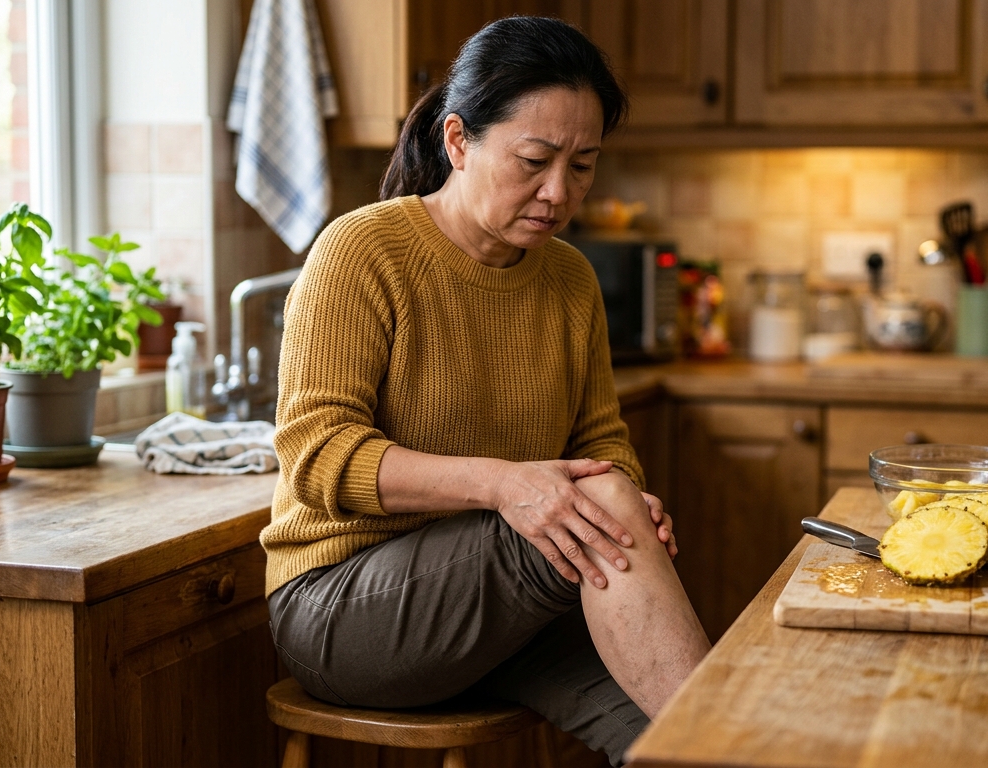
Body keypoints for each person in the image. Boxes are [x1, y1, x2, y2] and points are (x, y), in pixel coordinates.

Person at [261, 16, 711, 766]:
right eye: (533, 160)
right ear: (459, 141)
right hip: (342, 610)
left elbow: (599, 444)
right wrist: (508, 487)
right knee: (608, 534)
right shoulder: (361, 252)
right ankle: (731, 740)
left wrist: (628, 496)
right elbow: (317, 455)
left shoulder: (571, 279)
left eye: (584, 165)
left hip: (505, 607)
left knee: (659, 737)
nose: (558, 192)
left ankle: (719, 743)